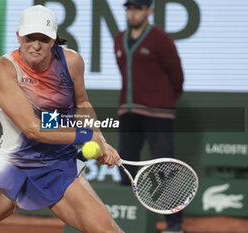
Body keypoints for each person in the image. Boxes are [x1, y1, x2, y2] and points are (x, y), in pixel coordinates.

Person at [0, 5, 123, 233]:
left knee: (108, 231)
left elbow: (81, 103)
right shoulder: (4, 69)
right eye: (29, 37)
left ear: (53, 40)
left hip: (59, 166)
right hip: (12, 165)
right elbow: (33, 128)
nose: (35, 45)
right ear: (18, 36)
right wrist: (87, 135)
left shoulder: (72, 63)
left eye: (43, 39)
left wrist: (99, 137)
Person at [113, 0, 184, 233]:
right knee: (125, 165)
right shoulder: (119, 38)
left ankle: (174, 225)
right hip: (128, 111)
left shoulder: (161, 39)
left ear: (149, 11)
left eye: (138, 9)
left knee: (165, 168)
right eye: (129, 9)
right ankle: (128, 220)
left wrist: (163, 102)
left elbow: (177, 76)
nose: (132, 13)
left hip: (158, 114)